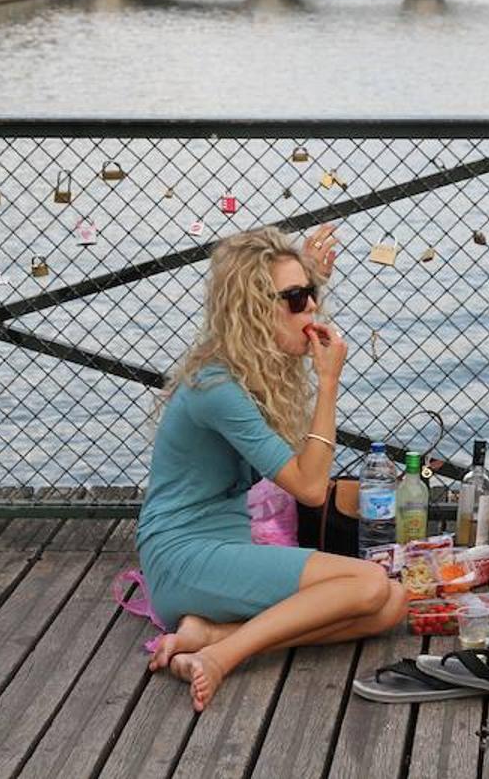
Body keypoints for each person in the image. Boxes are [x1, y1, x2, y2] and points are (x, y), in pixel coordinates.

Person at [138, 225, 407, 712]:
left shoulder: (252, 364)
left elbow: (304, 474)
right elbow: (309, 487)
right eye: (297, 299)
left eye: (311, 295)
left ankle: (213, 631)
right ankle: (222, 656)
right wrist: (328, 383)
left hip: (225, 545)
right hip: (183, 556)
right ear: (255, 312)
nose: (312, 310)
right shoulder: (217, 387)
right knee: (369, 585)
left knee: (393, 605)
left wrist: (304, 281)